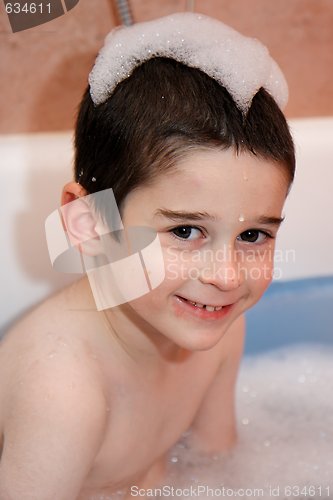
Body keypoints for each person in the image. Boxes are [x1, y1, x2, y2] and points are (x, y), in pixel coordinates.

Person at [0, 12, 295, 500]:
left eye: (253, 236)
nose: (226, 276)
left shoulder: (217, 324)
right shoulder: (64, 391)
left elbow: (220, 461)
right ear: (90, 225)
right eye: (185, 230)